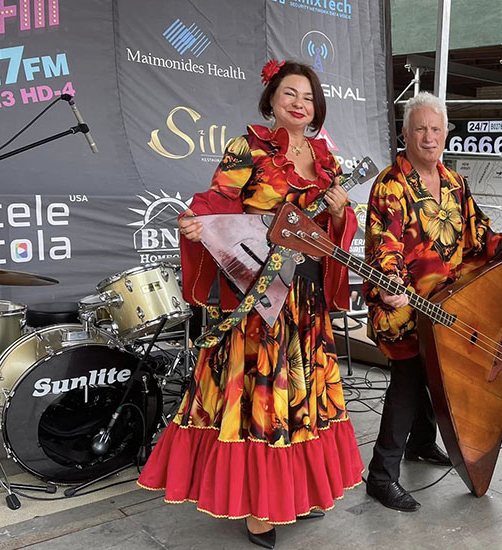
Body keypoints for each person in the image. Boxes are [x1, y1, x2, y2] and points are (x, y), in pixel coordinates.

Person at [138, 60, 363, 549]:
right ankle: (260, 507)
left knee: (303, 398)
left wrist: (342, 213)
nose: (299, 103)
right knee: (262, 396)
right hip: (261, 294)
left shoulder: (327, 160)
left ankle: (292, 493)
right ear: (272, 100)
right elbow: (217, 199)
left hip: (306, 297)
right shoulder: (249, 148)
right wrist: (197, 223)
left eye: (307, 96)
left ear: (317, 105)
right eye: (289, 94)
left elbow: (332, 236)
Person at [363, 92, 502, 512]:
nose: (428, 136)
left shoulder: (455, 182)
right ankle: (381, 477)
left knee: (434, 377)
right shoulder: (391, 184)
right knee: (406, 385)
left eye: (436, 129)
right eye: (420, 128)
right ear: (405, 133)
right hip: (404, 307)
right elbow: (383, 246)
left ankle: (420, 444)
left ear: (445, 134)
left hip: (448, 306)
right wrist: (390, 285)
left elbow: (479, 231)